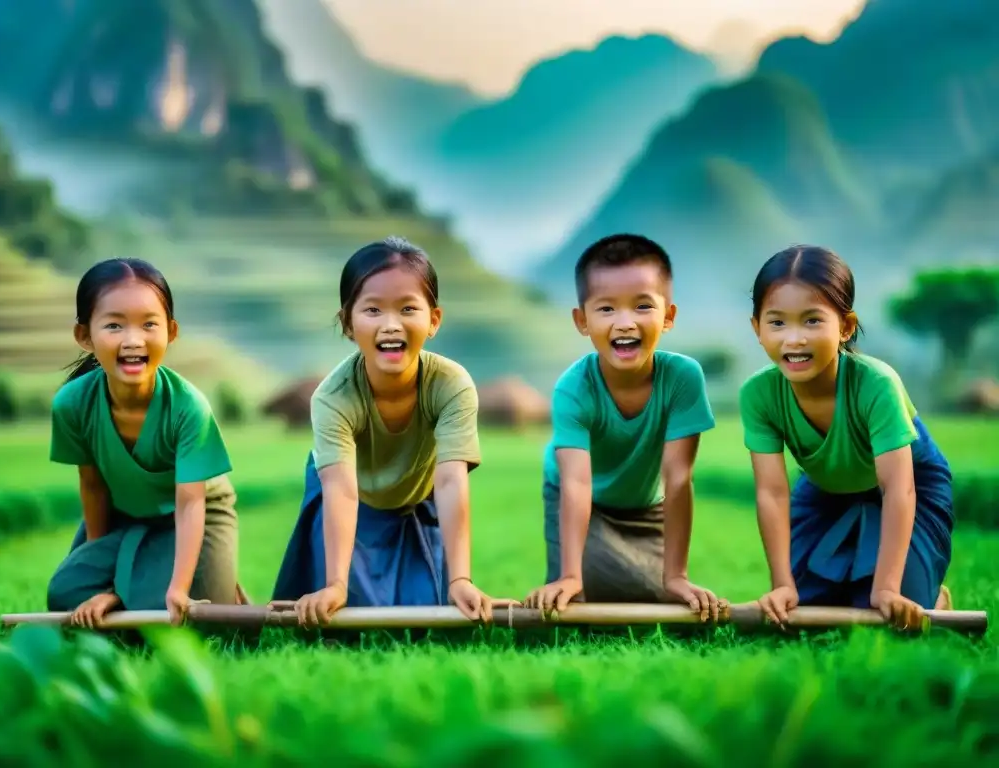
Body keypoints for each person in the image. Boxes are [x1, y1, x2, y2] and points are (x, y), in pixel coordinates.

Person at [271, 236, 512, 627]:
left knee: (428, 620)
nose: (390, 324)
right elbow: (342, 491)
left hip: (415, 502)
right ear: (348, 323)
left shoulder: (451, 385)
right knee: (348, 620)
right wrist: (335, 583)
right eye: (372, 310)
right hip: (349, 501)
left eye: (407, 309)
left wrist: (461, 578)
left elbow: (451, 481)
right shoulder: (333, 397)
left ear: (433, 320)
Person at [740, 245, 954, 631]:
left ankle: (932, 593)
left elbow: (898, 488)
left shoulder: (876, 384)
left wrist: (888, 587)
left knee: (888, 612)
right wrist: (782, 584)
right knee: (804, 611)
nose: (794, 339)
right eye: (777, 323)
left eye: (811, 321)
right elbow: (772, 493)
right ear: (757, 328)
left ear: (845, 326)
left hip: (911, 486)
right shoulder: (758, 394)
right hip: (825, 489)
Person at [524, 234, 724, 620]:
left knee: (668, 598)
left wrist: (677, 575)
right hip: (584, 501)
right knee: (579, 598)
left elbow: (679, 478)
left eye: (643, 306)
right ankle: (577, 575)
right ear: (582, 321)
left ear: (668, 316)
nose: (625, 322)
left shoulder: (683, 377)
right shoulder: (573, 388)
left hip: (648, 508)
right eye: (607, 309)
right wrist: (569, 575)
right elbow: (576, 484)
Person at [46, 258, 243, 628]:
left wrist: (178, 589)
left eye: (149, 324)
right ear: (84, 336)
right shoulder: (72, 404)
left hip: (192, 516)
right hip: (125, 517)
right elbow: (93, 487)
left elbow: (190, 504)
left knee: (193, 613)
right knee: (66, 593)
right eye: (114, 325)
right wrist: (101, 574)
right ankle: (129, 590)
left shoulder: (188, 407)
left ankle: (166, 586)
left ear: (171, 331)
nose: (133, 340)